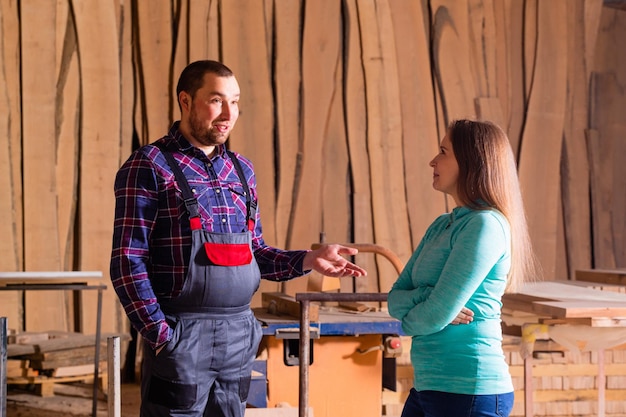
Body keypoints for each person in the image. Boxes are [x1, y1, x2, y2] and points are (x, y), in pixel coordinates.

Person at [109, 59, 366, 417]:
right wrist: (160, 334)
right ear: (186, 101)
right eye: (216, 100)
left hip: (239, 334)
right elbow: (127, 260)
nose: (228, 113)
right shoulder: (150, 164)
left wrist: (309, 260)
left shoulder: (241, 170)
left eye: (235, 101)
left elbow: (254, 252)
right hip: (183, 334)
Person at [387, 119, 540, 417]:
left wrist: (413, 319)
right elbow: (394, 299)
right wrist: (430, 299)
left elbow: (432, 317)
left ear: (472, 162)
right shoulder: (441, 225)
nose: (433, 160)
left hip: (469, 390)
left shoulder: (485, 225)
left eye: (443, 151)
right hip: (428, 386)